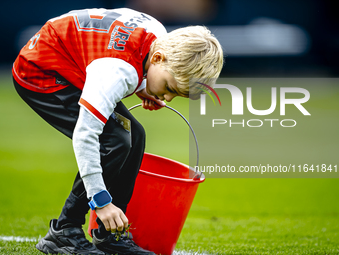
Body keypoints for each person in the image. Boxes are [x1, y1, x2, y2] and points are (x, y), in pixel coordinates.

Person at [12, 7, 223, 255]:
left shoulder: (157, 37)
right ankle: (64, 231)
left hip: (75, 62)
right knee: (113, 140)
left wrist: (145, 85)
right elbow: (85, 135)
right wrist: (101, 201)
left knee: (135, 134)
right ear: (157, 59)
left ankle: (110, 234)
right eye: (169, 87)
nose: (167, 97)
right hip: (41, 70)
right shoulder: (117, 70)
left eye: (175, 95)